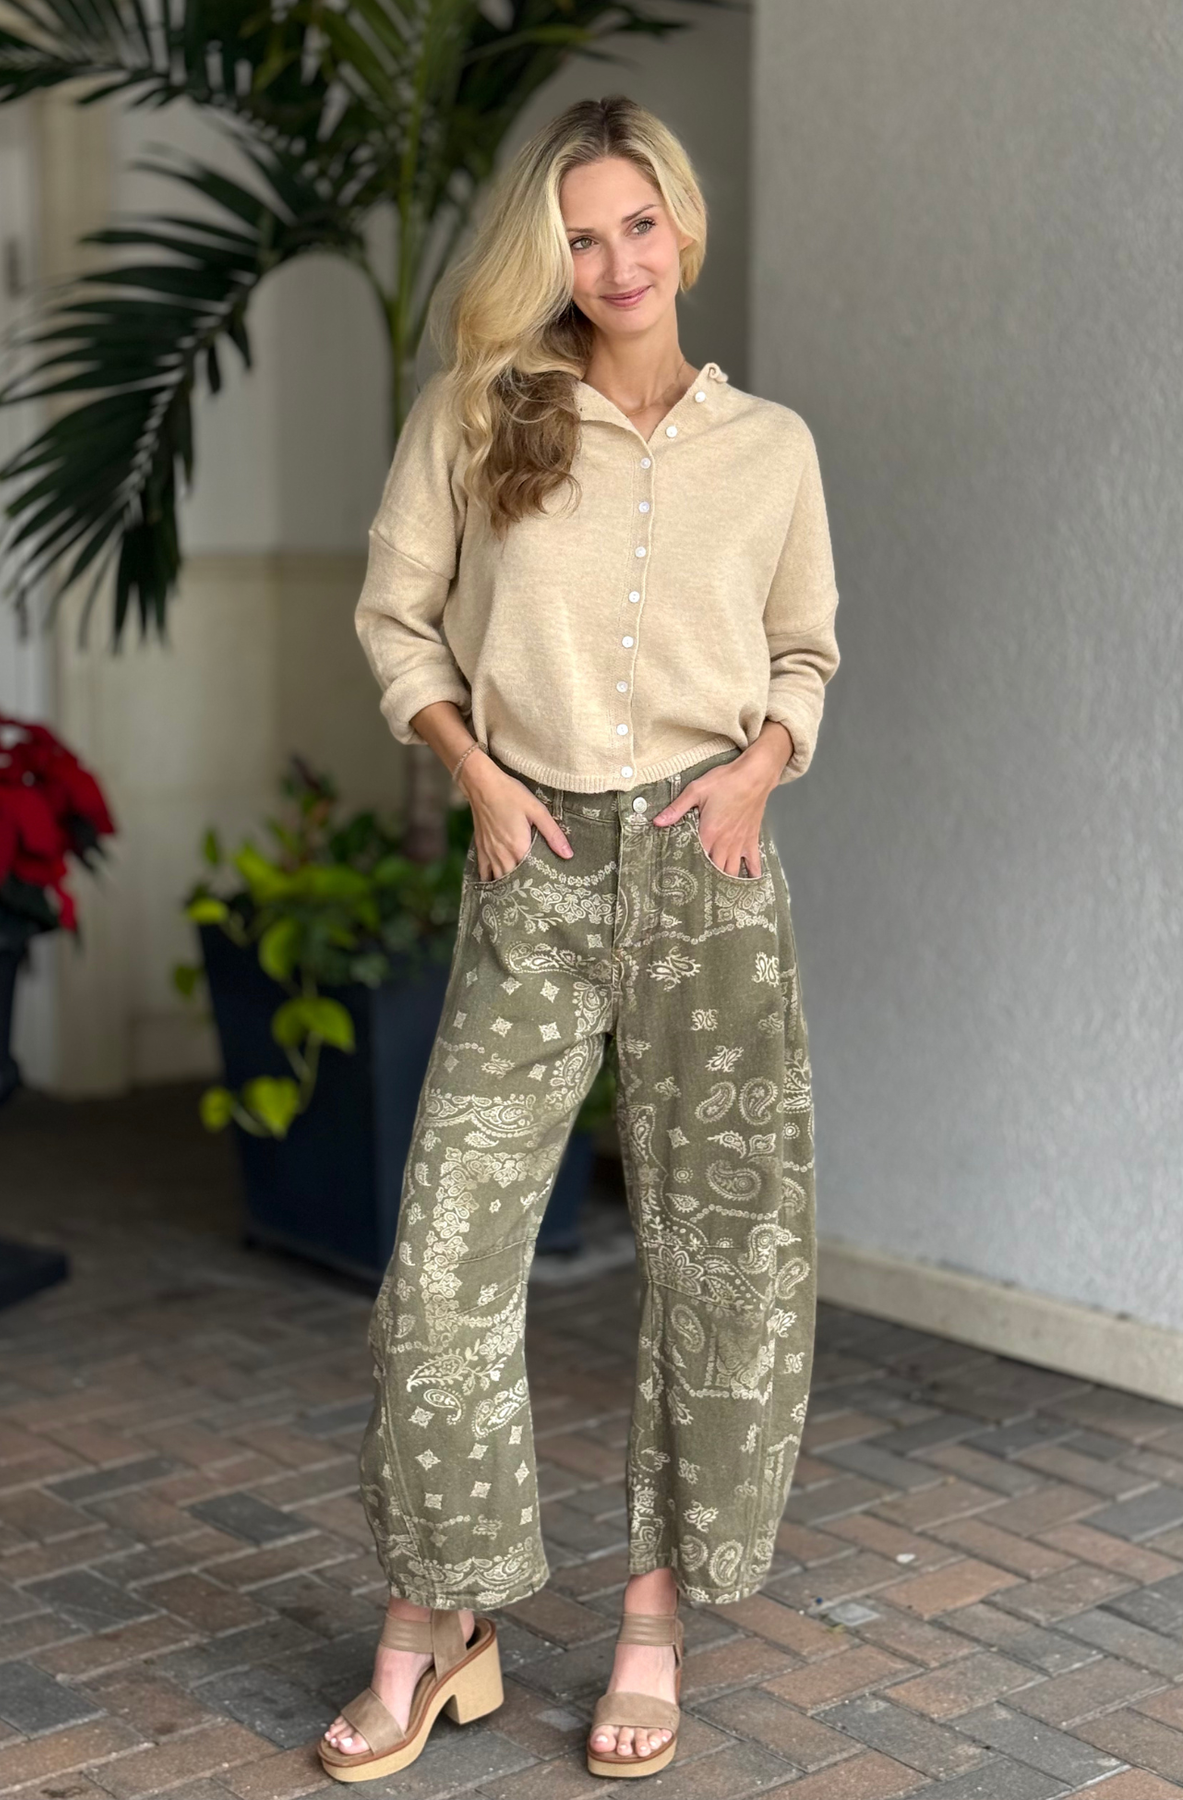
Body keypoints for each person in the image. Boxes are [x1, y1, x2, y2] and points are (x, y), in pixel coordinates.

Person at [318, 92, 840, 1785]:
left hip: (709, 863)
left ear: (685, 231)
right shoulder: (481, 412)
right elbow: (399, 618)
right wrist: (470, 772)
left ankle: (650, 1620)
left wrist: (766, 766)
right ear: (549, 254)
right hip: (532, 855)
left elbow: (806, 654)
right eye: (581, 233)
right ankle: (433, 1619)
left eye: (639, 224)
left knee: (722, 1259)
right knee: (447, 1262)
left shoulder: (772, 449)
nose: (614, 261)